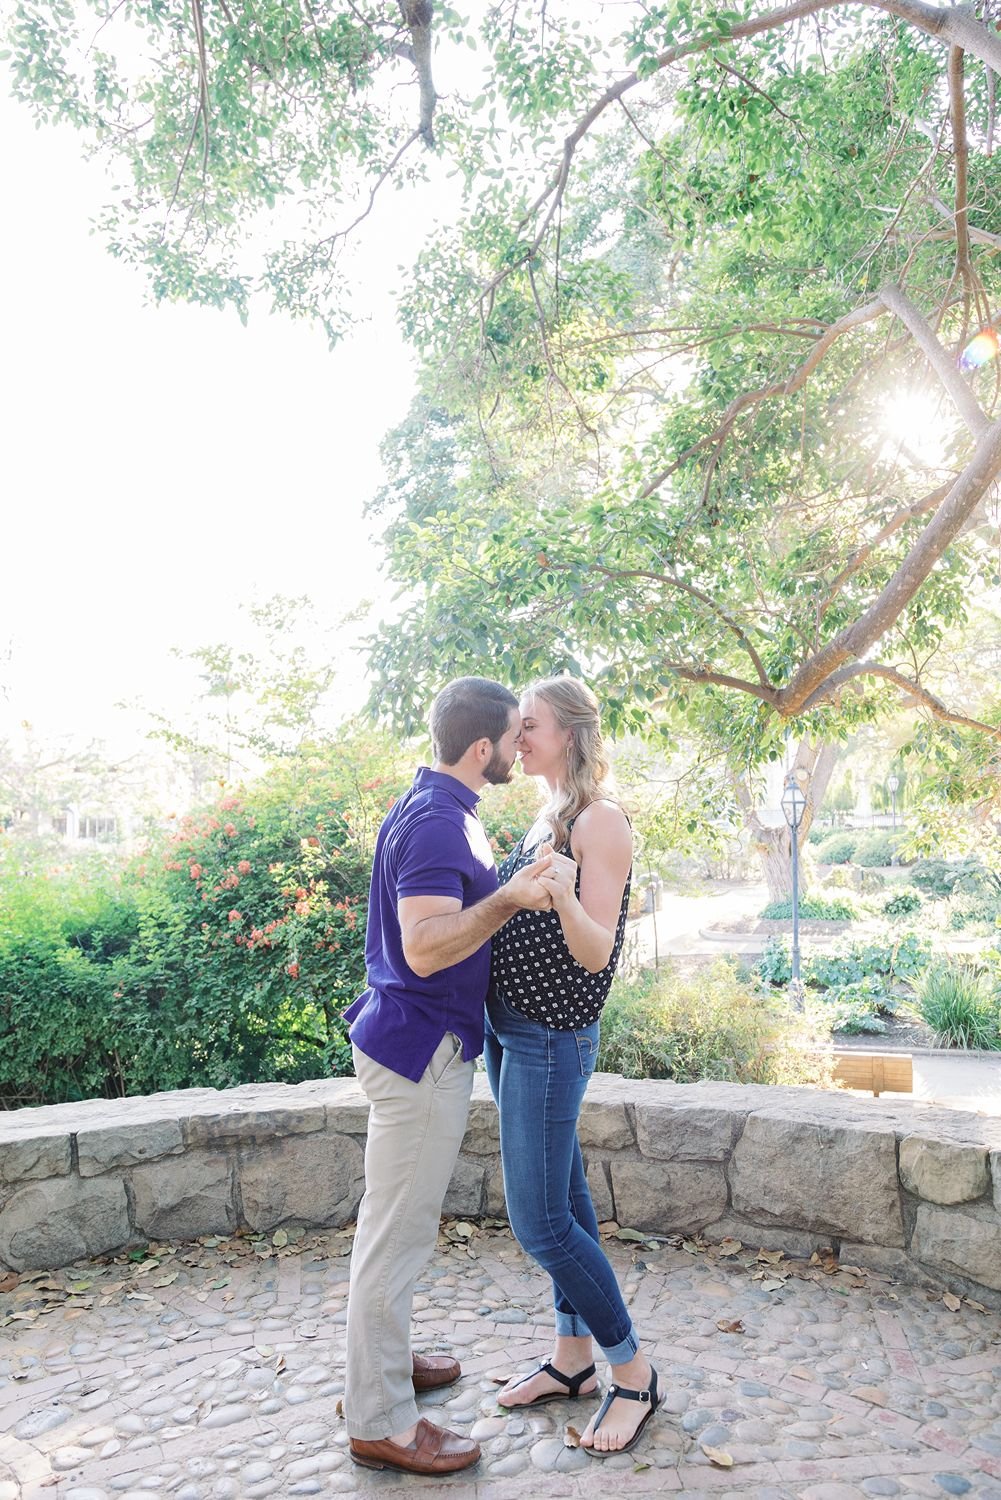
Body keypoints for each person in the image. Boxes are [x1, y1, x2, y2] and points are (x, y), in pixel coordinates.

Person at [343, 676, 555, 1477]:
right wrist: (509, 899)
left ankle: (382, 1370)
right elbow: (426, 944)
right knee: (394, 1239)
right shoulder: (437, 821)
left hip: (414, 1041)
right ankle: (381, 1422)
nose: (517, 749)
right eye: (512, 738)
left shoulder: (437, 805)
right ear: (482, 749)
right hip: (421, 1049)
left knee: (389, 1230)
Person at [484, 676, 659, 1456]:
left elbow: (594, 956)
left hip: (550, 1039)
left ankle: (633, 1373)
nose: (516, 738)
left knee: (541, 1221)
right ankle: (571, 1359)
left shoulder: (602, 821)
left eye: (530, 726)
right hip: (508, 1033)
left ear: (571, 735)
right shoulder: (545, 814)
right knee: (568, 1201)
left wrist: (557, 897)